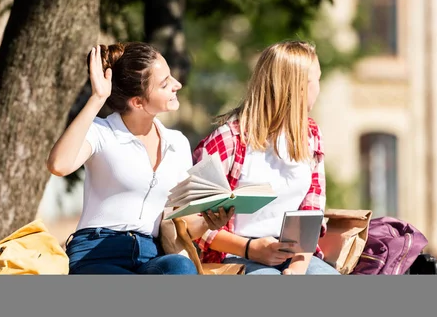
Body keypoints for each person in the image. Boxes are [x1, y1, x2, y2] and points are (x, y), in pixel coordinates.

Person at [46, 42, 233, 275]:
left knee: (181, 266)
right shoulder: (101, 132)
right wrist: (97, 98)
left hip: (151, 253)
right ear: (138, 102)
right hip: (96, 251)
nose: (178, 85)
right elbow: (58, 165)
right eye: (165, 83)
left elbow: (181, 221)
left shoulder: (177, 143)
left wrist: (208, 221)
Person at [192, 40, 340, 275]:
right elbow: (193, 223)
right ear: (298, 87)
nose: (319, 89)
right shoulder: (228, 140)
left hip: (295, 257)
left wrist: (298, 267)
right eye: (317, 80)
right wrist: (251, 249)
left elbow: (312, 207)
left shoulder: (310, 136)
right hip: (236, 257)